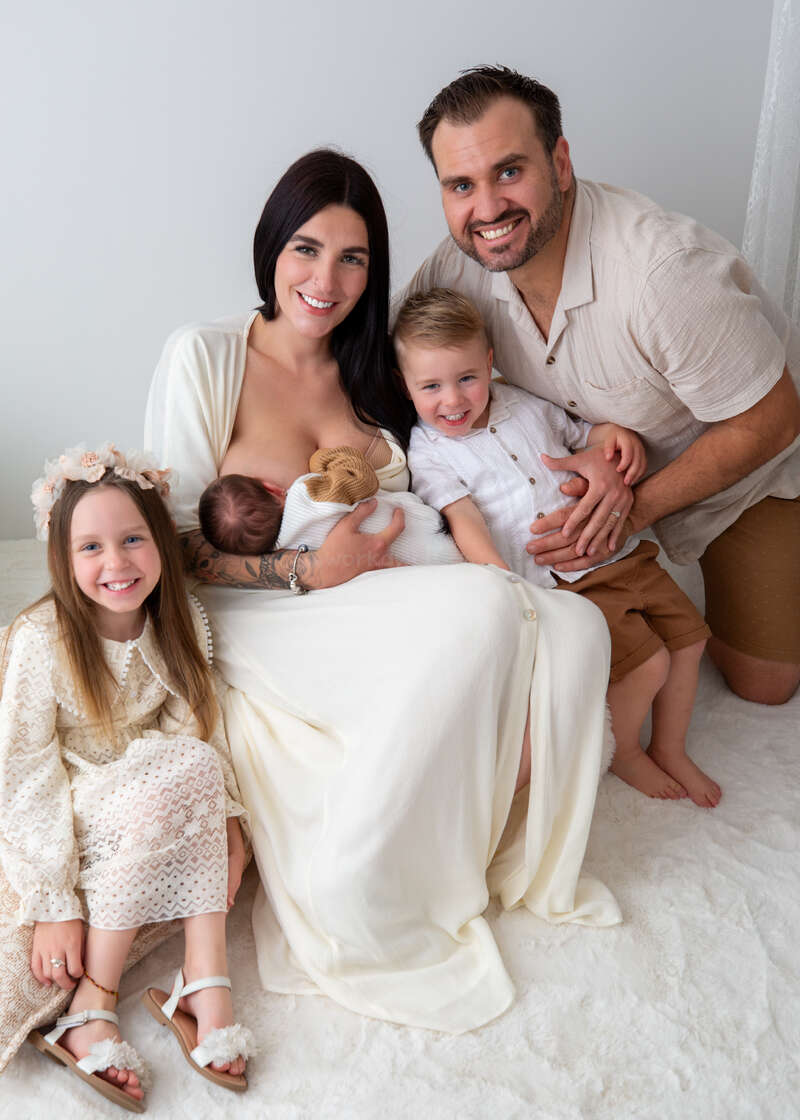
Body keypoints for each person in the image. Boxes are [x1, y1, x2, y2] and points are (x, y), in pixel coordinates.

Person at [145, 148, 622, 1037]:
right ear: (271, 249)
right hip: (269, 608)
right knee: (487, 610)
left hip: (388, 585)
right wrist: (306, 570)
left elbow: (477, 416)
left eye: (354, 257)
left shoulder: (376, 367)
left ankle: (479, 845)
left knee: (577, 631)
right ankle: (353, 881)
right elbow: (171, 549)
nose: (326, 280)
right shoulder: (206, 356)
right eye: (306, 249)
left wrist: (607, 436)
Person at [401, 65, 800, 706]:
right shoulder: (457, 271)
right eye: (460, 185)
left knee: (765, 686)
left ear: (559, 162)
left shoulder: (664, 273)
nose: (487, 209)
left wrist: (631, 509)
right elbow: (382, 348)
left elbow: (775, 417)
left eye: (509, 171)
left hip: (741, 477)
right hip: (603, 472)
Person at [393, 286, 718, 806]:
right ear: (405, 386)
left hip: (615, 547)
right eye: (430, 386)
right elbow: (465, 521)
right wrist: (506, 586)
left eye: (467, 379)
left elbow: (580, 433)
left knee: (690, 640)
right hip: (562, 578)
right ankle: (626, 750)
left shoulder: (522, 404)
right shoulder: (430, 453)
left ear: (489, 363)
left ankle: (672, 747)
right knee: (647, 663)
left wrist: (612, 435)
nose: (452, 400)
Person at [0, 443, 253, 1109]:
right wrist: (54, 904)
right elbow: (24, 774)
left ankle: (203, 976)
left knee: (198, 761)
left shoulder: (178, 623)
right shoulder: (41, 639)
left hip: (150, 796)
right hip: (69, 806)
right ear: (63, 557)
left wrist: (228, 823)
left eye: (133, 539)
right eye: (91, 548)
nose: (116, 564)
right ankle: (95, 1001)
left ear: (161, 543)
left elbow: (196, 727)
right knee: (190, 768)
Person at [198, 446, 462, 564]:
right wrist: (320, 460)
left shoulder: (292, 552)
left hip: (420, 567)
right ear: (270, 487)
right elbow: (362, 479)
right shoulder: (308, 495)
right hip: (432, 534)